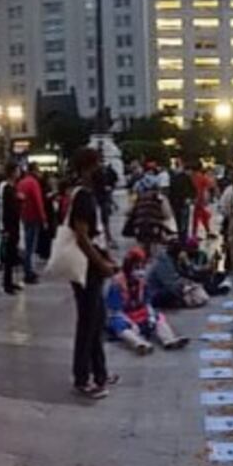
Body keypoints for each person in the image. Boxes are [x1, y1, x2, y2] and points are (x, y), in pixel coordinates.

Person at [47, 149, 121, 398]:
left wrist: (107, 259)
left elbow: (95, 234)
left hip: (94, 266)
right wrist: (100, 263)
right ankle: (82, 377)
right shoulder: (82, 197)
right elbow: (81, 237)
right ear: (89, 168)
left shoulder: (88, 195)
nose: (102, 168)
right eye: (99, 164)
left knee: (97, 320)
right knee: (88, 322)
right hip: (86, 268)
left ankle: (100, 371)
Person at [105, 248, 184, 353]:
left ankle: (169, 340)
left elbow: (147, 302)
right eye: (137, 267)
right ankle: (139, 344)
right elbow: (115, 310)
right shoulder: (117, 284)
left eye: (142, 267)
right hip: (124, 315)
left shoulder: (142, 282)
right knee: (118, 324)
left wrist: (151, 315)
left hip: (140, 313)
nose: (140, 271)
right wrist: (130, 323)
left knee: (158, 318)